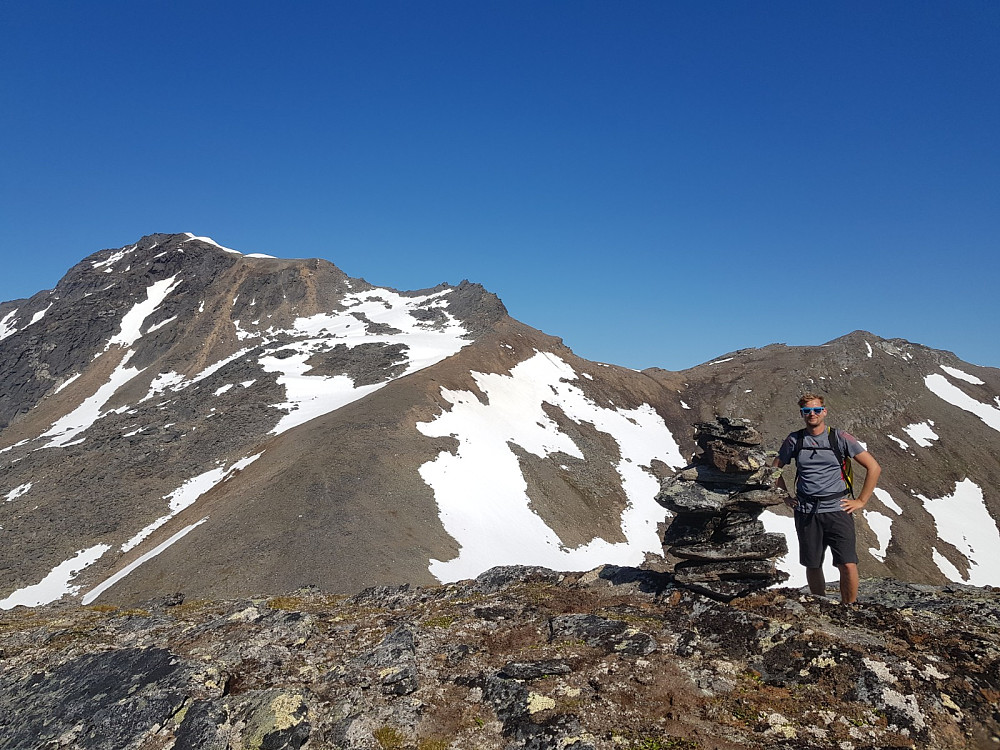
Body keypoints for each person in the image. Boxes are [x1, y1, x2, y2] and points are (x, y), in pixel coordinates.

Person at [772, 393, 881, 604]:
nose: (811, 414)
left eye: (816, 410)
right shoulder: (794, 440)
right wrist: (785, 496)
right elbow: (775, 468)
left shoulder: (840, 438)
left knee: (848, 563)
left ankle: (850, 608)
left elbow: (874, 467)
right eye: (806, 411)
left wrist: (861, 501)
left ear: (824, 411)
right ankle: (820, 606)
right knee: (813, 564)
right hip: (806, 511)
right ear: (802, 414)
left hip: (838, 509)